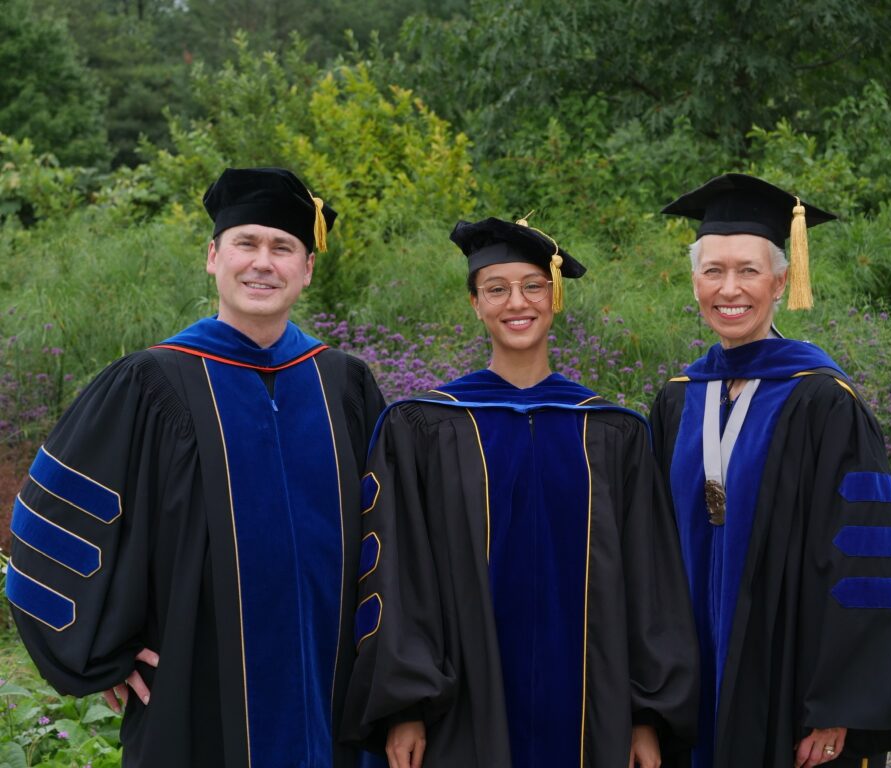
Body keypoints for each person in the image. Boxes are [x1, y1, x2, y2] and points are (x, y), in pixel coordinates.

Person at [6, 167, 386, 768]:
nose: (263, 262)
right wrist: (104, 651)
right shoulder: (154, 382)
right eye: (246, 243)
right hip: (195, 687)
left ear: (307, 269)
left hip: (328, 683)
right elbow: (52, 517)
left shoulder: (343, 384)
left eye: (283, 247)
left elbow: (389, 535)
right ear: (214, 256)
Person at [343, 217, 699, 768]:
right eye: (497, 289)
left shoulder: (613, 432)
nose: (518, 302)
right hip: (458, 711)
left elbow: (650, 583)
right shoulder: (420, 428)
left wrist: (646, 715)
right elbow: (399, 573)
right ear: (475, 304)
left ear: (554, 297)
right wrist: (404, 708)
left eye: (533, 286)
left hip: (593, 712)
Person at [650, 173, 891, 768]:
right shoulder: (678, 400)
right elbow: (648, 552)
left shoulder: (824, 401)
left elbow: (861, 563)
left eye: (748, 270)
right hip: (688, 683)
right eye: (713, 270)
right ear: (694, 283)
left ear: (782, 282)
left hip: (789, 688)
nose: (728, 288)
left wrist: (836, 703)